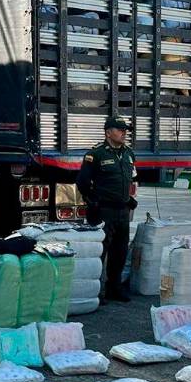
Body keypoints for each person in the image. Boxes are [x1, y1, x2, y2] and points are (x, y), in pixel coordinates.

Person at [76, 116, 138, 303]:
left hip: (122, 211)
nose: (124, 133)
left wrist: (130, 199)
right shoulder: (96, 154)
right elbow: (83, 182)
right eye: (120, 130)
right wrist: (92, 200)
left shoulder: (128, 153)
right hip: (104, 211)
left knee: (120, 251)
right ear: (108, 132)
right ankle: (96, 290)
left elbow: (132, 178)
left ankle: (114, 288)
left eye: (125, 130)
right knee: (100, 251)